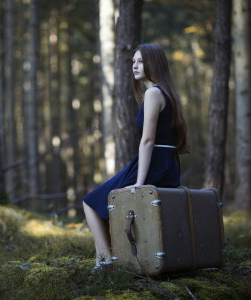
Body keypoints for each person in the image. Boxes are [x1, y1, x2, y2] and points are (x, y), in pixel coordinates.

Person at [82, 43, 189, 271]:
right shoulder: (167, 93)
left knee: (90, 203)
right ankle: (107, 257)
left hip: (153, 166)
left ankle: (106, 261)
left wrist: (140, 182)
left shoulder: (153, 93)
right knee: (102, 202)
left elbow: (148, 140)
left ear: (154, 63)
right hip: (167, 165)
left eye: (140, 61)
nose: (135, 66)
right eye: (133, 62)